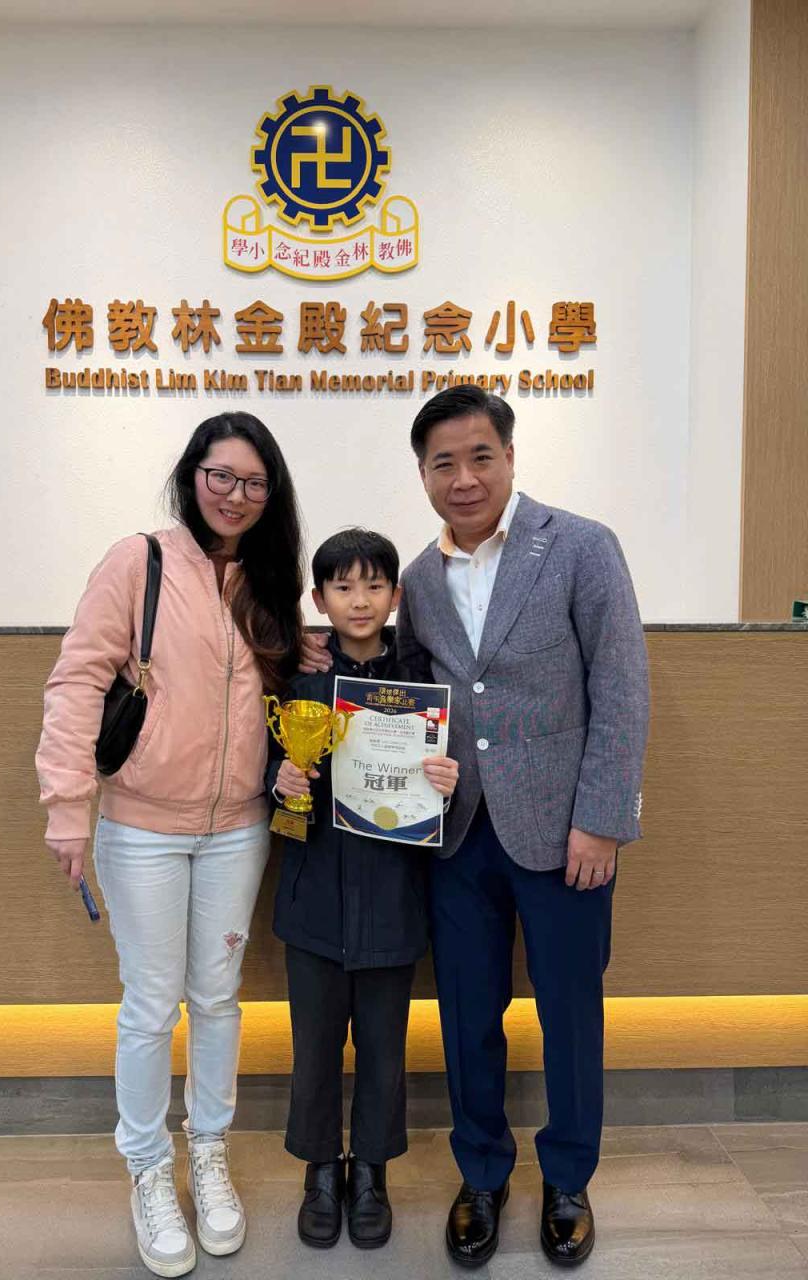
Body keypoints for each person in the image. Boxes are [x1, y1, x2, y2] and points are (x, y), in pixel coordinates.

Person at [303, 387, 649, 1268]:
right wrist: (317, 653)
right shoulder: (416, 579)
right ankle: (482, 1174)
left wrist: (601, 820)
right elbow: (403, 683)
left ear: (509, 456)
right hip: (454, 836)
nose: (464, 478)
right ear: (422, 474)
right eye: (443, 464)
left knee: (571, 1011)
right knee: (466, 1015)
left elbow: (621, 688)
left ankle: (568, 1179)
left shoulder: (581, 547)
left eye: (479, 457)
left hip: (565, 833)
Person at [36, 412, 303, 1278]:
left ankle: (209, 1152)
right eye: (222, 475)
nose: (236, 495)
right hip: (143, 827)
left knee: (218, 999)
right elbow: (78, 679)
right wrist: (67, 806)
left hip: (238, 830)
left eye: (254, 482)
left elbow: (285, 685)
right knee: (151, 1005)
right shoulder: (138, 561)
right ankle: (149, 1169)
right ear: (193, 476)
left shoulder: (268, 579)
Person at [270, 529, 459, 1252]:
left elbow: (443, 796)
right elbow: (268, 798)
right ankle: (321, 1170)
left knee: (384, 1047)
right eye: (343, 587)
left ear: (396, 596)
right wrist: (282, 783)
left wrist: (444, 783)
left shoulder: (421, 685)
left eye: (374, 586)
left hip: (393, 902)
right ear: (318, 600)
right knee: (314, 1047)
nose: (359, 600)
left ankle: (372, 1172)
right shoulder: (297, 683)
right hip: (314, 900)